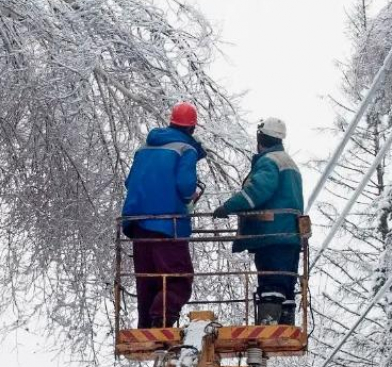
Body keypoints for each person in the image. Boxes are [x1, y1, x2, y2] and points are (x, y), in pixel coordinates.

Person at [121, 102, 206, 328]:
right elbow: (185, 186)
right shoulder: (186, 149)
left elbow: (130, 182)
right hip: (168, 224)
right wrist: (190, 197)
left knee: (147, 278)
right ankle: (162, 318)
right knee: (178, 278)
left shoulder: (143, 148)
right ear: (192, 128)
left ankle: (147, 326)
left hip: (137, 223)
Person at [212, 117, 304, 325]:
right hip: (291, 236)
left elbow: (257, 191)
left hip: (271, 235)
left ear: (261, 137)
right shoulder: (289, 163)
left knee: (271, 283)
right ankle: (285, 321)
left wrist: (228, 206)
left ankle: (269, 321)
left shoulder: (269, 161)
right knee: (285, 282)